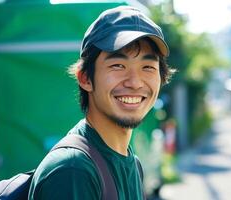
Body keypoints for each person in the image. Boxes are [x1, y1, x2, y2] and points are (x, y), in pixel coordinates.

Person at [28, 6, 174, 200]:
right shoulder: (73, 170)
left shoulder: (133, 164)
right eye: (118, 65)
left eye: (147, 67)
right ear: (85, 78)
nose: (135, 82)